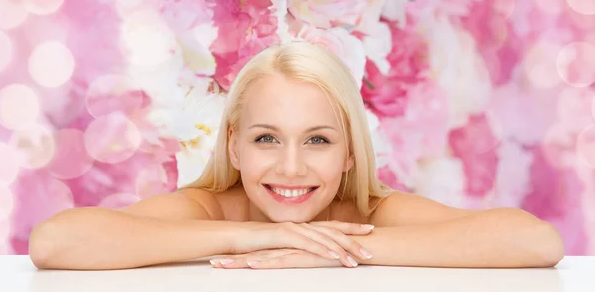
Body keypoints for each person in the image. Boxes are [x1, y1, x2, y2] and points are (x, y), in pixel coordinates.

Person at [28, 41, 565, 271]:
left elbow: (534, 241)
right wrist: (260, 235)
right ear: (234, 146)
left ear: (351, 152)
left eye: (317, 140)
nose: (291, 168)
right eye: (266, 139)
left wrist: (334, 251)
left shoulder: (369, 215)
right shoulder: (211, 208)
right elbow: (57, 242)